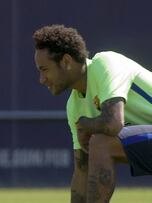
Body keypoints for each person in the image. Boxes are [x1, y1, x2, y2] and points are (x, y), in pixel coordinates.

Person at [33, 24, 152, 203]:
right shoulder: (73, 106)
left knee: (101, 142)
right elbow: (82, 173)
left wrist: (85, 125)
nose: (41, 80)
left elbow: (113, 123)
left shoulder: (105, 63)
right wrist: (84, 124)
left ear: (66, 61)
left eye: (44, 70)